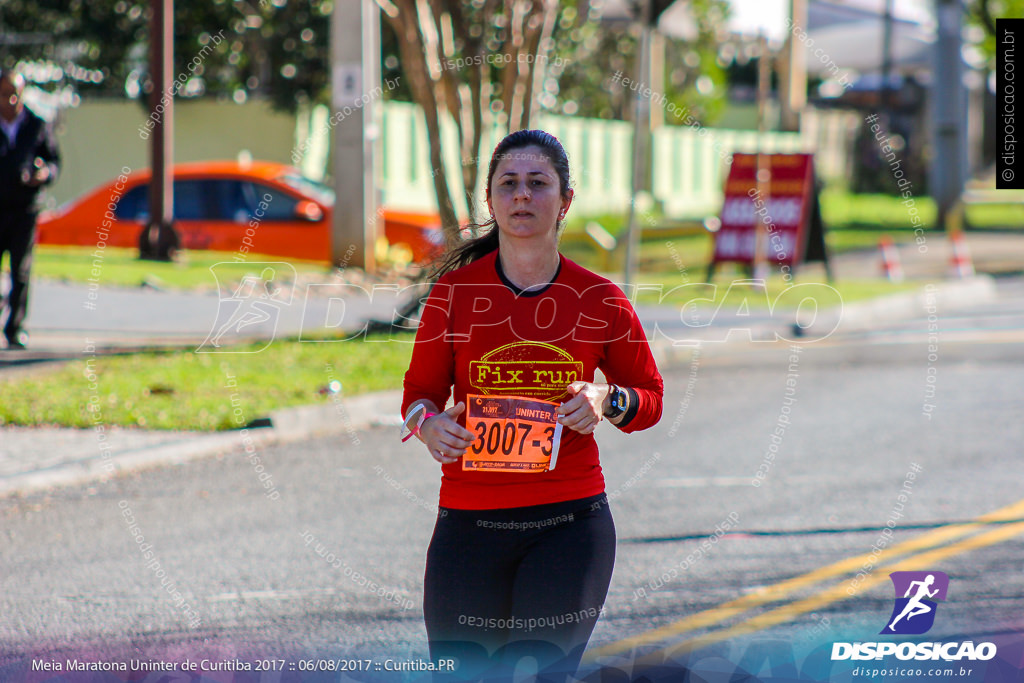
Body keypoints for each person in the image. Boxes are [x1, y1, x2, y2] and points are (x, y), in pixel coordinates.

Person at [400, 129, 664, 681]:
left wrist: (605, 397)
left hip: (569, 526)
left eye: (538, 184)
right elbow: (418, 397)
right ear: (491, 201)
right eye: (509, 184)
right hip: (468, 525)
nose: (522, 195)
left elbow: (650, 399)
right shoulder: (453, 294)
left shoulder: (599, 298)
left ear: (565, 201)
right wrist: (428, 427)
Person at [0, 67, 60, 349]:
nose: (10, 101)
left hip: (25, 208)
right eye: (4, 95)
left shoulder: (36, 125)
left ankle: (15, 327)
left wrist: (43, 174)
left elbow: (54, 163)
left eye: (15, 95)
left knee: (20, 270)